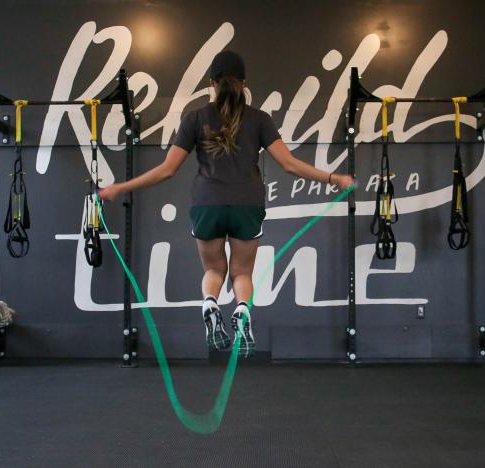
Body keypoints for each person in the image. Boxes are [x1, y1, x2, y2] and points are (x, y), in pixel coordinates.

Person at [99, 51, 354, 357]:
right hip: (248, 204)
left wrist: (121, 186)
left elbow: (167, 170)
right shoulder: (259, 119)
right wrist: (333, 178)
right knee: (242, 272)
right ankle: (242, 311)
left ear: (212, 84)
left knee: (213, 270)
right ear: (243, 84)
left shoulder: (195, 118)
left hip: (207, 205)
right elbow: (290, 165)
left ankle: (210, 304)